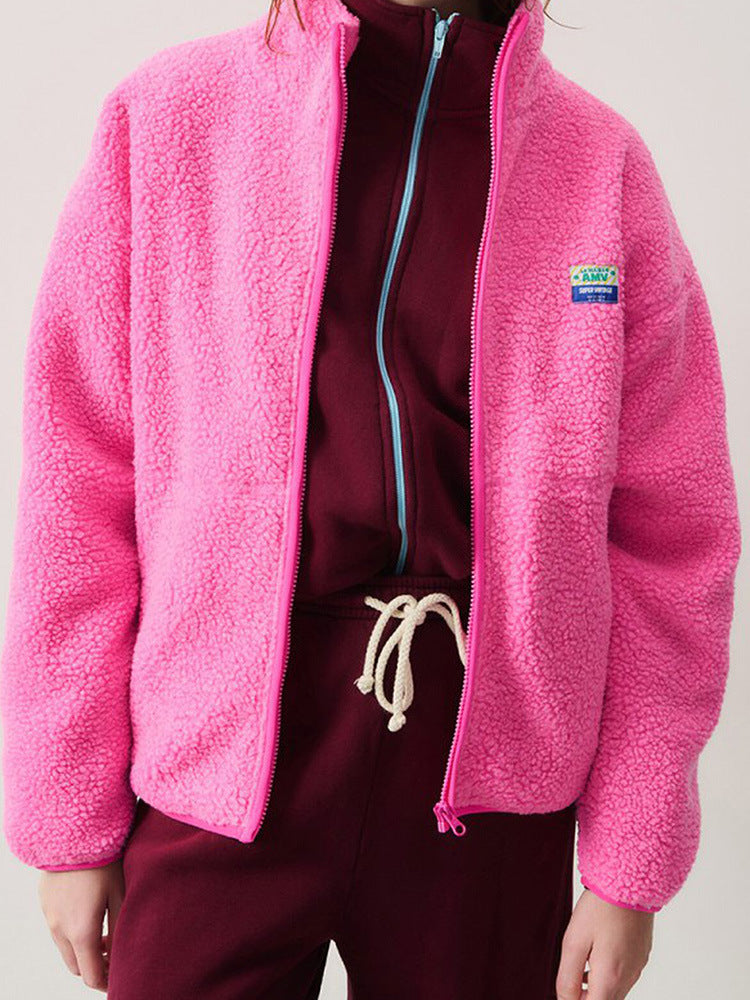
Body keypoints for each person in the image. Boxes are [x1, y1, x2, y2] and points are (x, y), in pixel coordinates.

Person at [0, 0, 741, 997]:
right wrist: (68, 816)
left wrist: (629, 863)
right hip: (223, 748)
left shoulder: (600, 164)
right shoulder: (171, 116)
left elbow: (673, 535)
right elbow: (78, 485)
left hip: (488, 765)